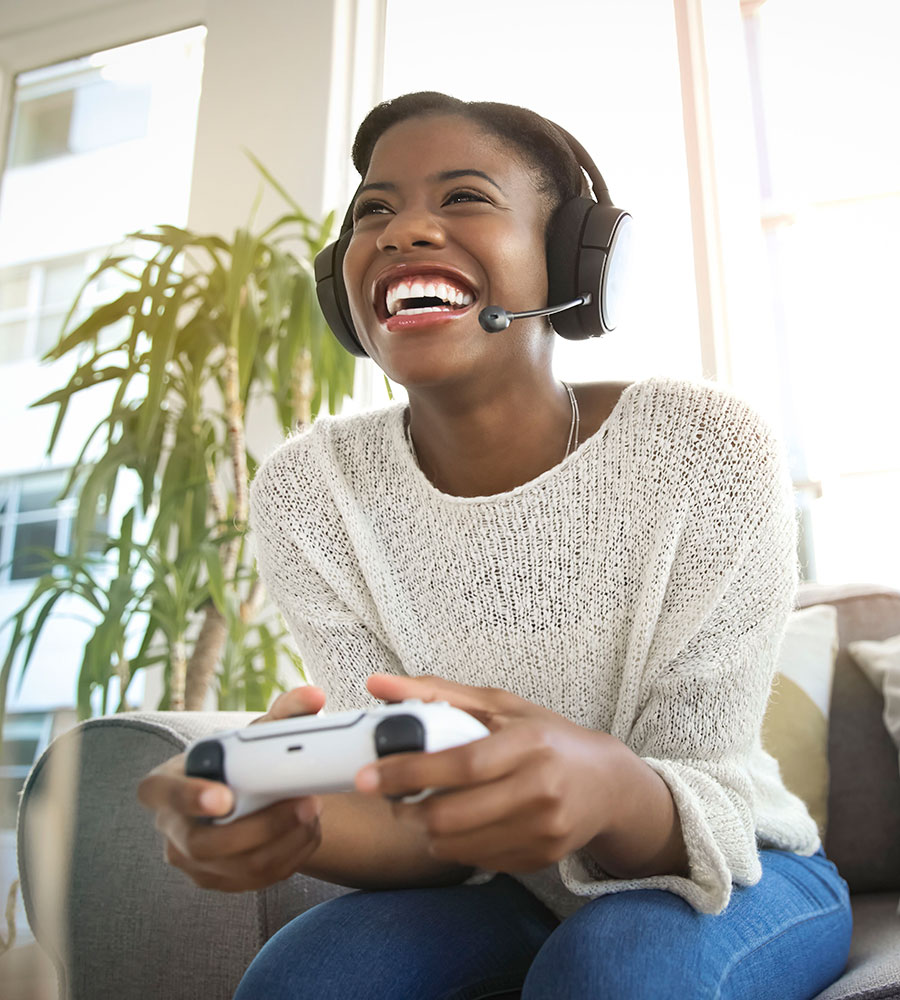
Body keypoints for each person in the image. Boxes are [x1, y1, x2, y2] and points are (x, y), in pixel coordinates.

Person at [138, 92, 853, 999]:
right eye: (373, 212)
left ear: (573, 260)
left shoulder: (703, 446)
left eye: (465, 197)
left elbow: (704, 789)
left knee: (613, 971)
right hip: (499, 887)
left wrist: (606, 787)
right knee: (309, 978)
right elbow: (411, 813)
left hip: (733, 863)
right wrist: (292, 819)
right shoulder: (311, 491)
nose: (404, 232)